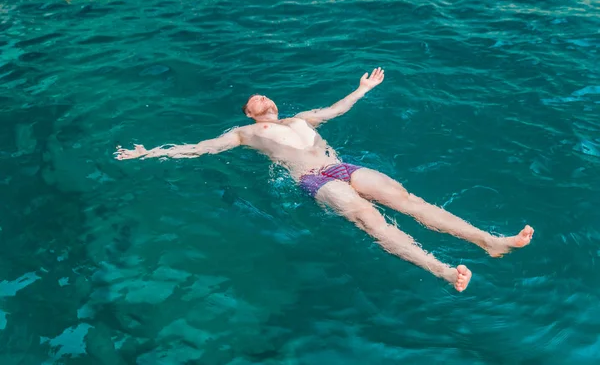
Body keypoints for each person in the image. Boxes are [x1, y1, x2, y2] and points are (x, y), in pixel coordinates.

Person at [115, 67, 534, 291]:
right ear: (247, 113)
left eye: (266, 94)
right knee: (370, 220)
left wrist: (363, 88)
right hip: (313, 179)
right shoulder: (243, 134)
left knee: (408, 200)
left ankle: (489, 241)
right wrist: (148, 152)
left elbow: (338, 109)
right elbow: (197, 148)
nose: (263, 98)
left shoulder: (303, 117)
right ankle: (442, 270)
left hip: (342, 166)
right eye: (255, 98)